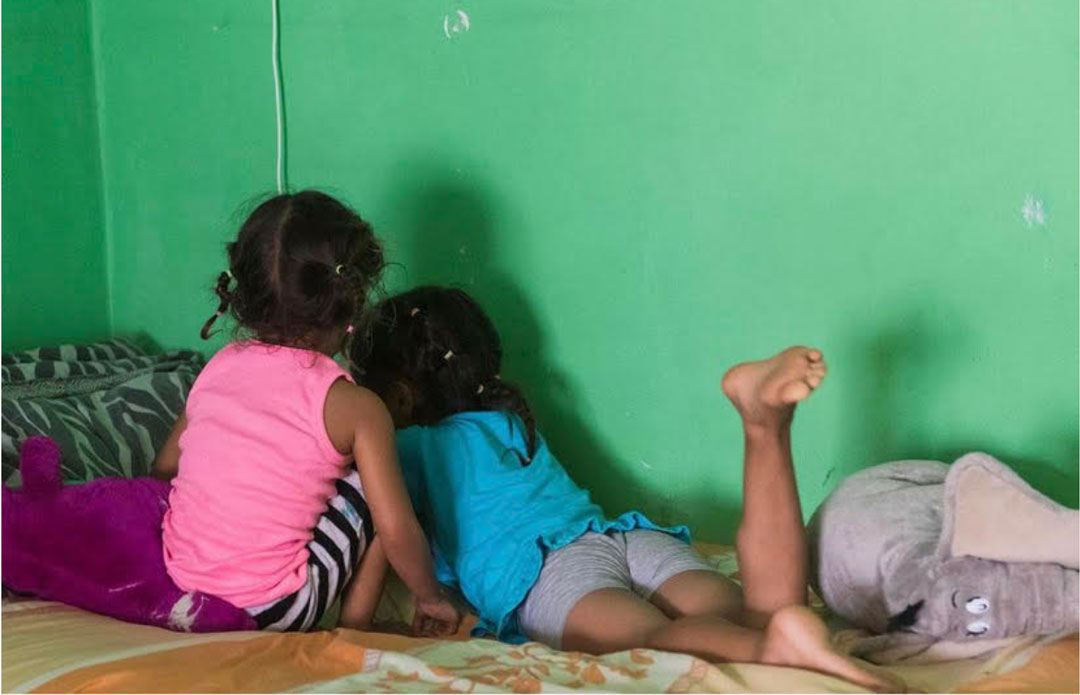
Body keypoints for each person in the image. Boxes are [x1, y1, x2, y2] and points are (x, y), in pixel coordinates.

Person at [351, 285, 893, 691]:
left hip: (549, 573)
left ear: (397, 397)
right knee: (755, 610)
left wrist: (355, 625)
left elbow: (388, 526)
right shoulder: (508, 420)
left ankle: (772, 647)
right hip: (624, 536)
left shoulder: (410, 447)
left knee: (653, 641)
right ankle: (763, 428)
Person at [151, 192, 459, 636]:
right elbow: (396, 531)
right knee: (380, 489)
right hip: (273, 608)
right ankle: (354, 628)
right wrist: (430, 596)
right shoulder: (358, 407)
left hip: (182, 585)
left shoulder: (217, 366)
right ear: (348, 301)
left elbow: (163, 470)